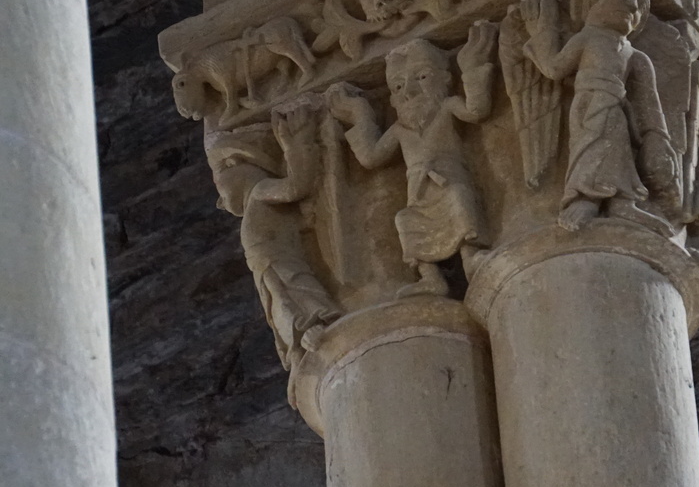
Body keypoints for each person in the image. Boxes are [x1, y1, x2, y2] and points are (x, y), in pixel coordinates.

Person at [327, 21, 497, 296]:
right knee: (406, 220)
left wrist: (472, 65)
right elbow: (370, 157)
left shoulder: (447, 107)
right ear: (392, 100)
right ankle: (431, 277)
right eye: (397, 86)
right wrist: (359, 114)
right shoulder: (400, 129)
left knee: (459, 198)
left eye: (421, 77)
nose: (410, 91)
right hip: (417, 193)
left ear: (444, 79)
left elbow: (477, 111)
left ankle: (471, 257)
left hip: (447, 179)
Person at [522, 0, 678, 231]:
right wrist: (542, 29)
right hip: (588, 104)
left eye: (639, 3)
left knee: (618, 150)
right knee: (590, 147)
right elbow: (555, 69)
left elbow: (649, 103)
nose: (633, 5)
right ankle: (585, 198)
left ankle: (623, 204)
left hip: (617, 108)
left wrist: (658, 138)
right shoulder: (587, 38)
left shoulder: (636, 56)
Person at [206, 107, 340, 367]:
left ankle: (319, 324)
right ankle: (297, 346)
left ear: (239, 165)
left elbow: (296, 186)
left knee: (296, 288)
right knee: (279, 305)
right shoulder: (256, 199)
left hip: (280, 262)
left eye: (219, 176)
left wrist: (298, 143)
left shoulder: (260, 190)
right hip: (267, 268)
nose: (220, 201)